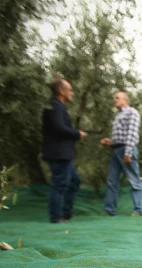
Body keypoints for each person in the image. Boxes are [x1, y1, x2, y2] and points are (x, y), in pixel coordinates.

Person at [41, 78, 86, 224]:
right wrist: (76, 133)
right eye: (70, 89)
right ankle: (55, 217)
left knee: (74, 181)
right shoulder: (55, 106)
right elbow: (58, 128)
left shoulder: (58, 107)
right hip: (58, 153)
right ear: (61, 91)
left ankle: (66, 213)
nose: (71, 93)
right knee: (59, 184)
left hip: (63, 153)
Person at [100, 91, 142, 216]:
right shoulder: (118, 115)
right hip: (116, 150)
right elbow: (122, 136)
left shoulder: (132, 112)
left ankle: (138, 209)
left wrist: (128, 152)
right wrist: (111, 142)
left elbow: (132, 133)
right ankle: (109, 209)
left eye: (117, 98)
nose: (115, 100)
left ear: (125, 100)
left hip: (126, 150)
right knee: (112, 181)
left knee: (134, 180)